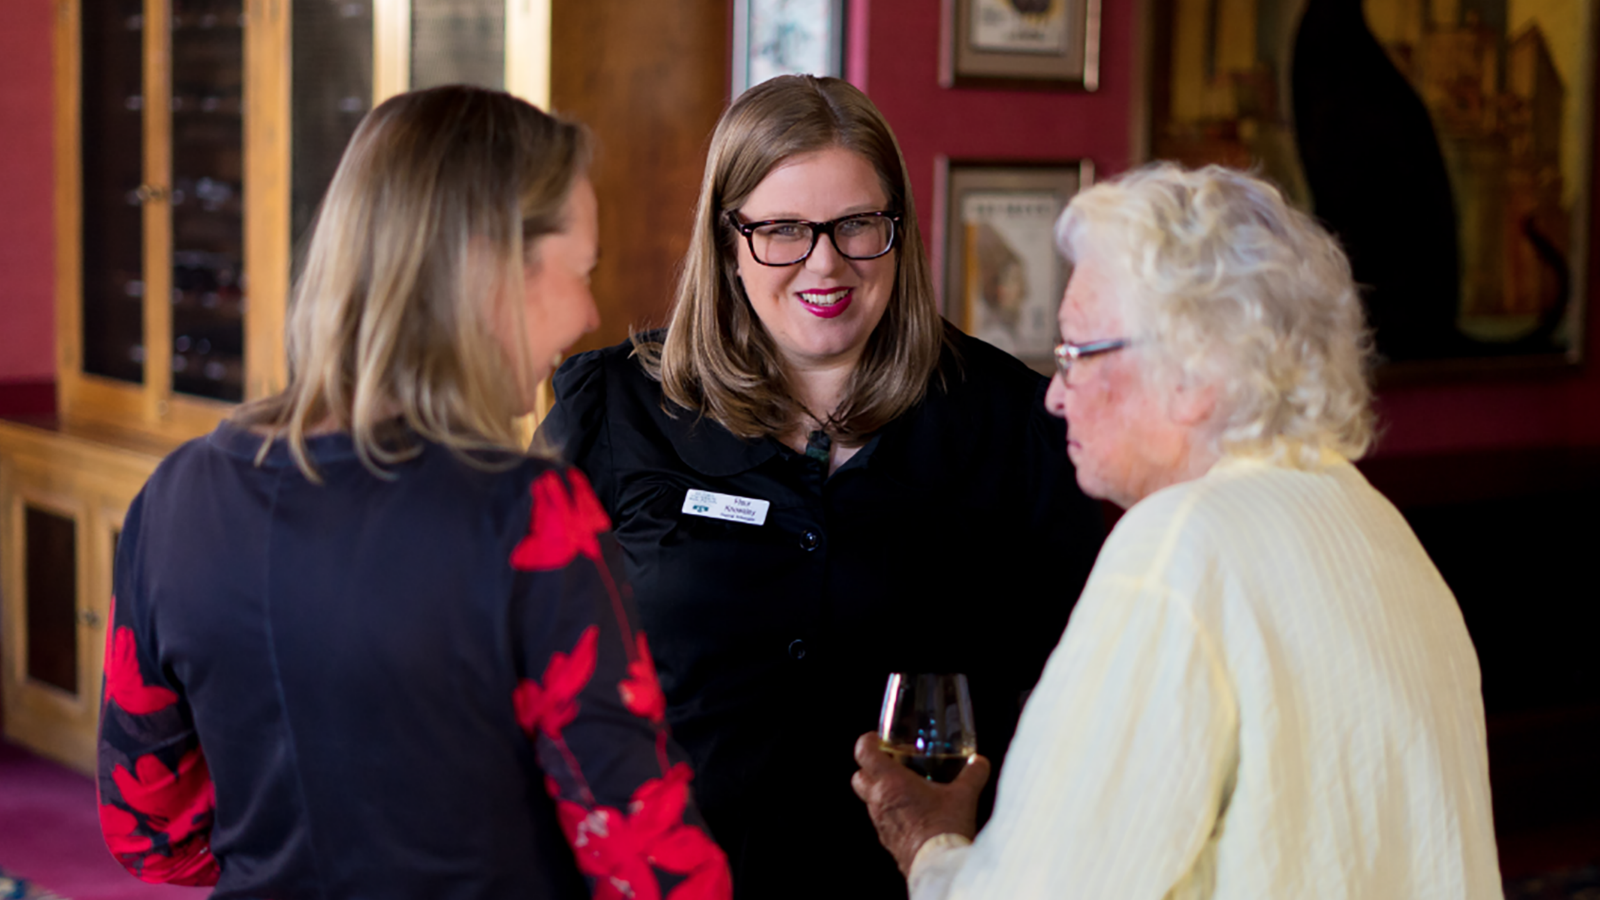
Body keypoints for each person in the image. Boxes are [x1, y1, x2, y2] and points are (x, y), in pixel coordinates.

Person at [95, 85, 731, 899]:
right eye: (580, 271)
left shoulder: (174, 497)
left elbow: (148, 833)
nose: (590, 310)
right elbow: (657, 873)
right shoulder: (528, 517)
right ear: (490, 268)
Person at [852, 163, 1503, 899]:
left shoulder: (1179, 546)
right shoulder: (1372, 524)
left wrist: (930, 845)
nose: (1057, 396)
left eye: (1078, 353)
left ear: (1194, 373)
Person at [538, 75, 1104, 899]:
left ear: (898, 231)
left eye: (857, 225)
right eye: (783, 230)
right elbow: (525, 677)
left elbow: (1078, 694)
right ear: (729, 242)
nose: (825, 263)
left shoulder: (1014, 425)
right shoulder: (612, 410)